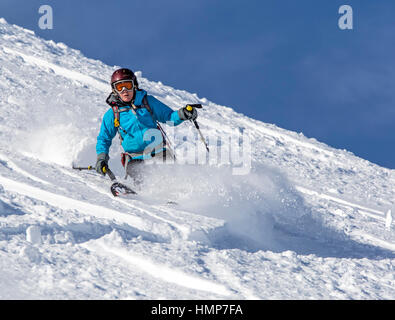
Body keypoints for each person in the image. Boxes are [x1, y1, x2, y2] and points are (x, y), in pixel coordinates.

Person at [95, 68, 198, 183]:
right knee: (143, 181)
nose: (124, 90)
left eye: (128, 85)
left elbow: (169, 117)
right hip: (135, 158)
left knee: (170, 180)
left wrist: (183, 114)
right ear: (115, 90)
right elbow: (104, 138)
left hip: (158, 153)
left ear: (134, 85)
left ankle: (176, 197)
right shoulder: (113, 113)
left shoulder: (148, 102)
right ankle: (143, 196)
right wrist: (102, 158)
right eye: (120, 87)